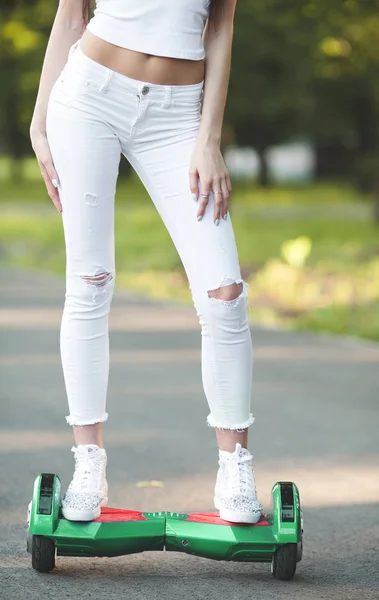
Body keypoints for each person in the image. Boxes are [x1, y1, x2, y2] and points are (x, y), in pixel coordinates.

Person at [30, 0, 262, 525]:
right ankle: (88, 462)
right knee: (89, 282)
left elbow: (221, 27)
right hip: (89, 97)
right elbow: (71, 17)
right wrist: (40, 121)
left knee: (225, 295)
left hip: (179, 115)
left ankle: (235, 466)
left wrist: (209, 138)